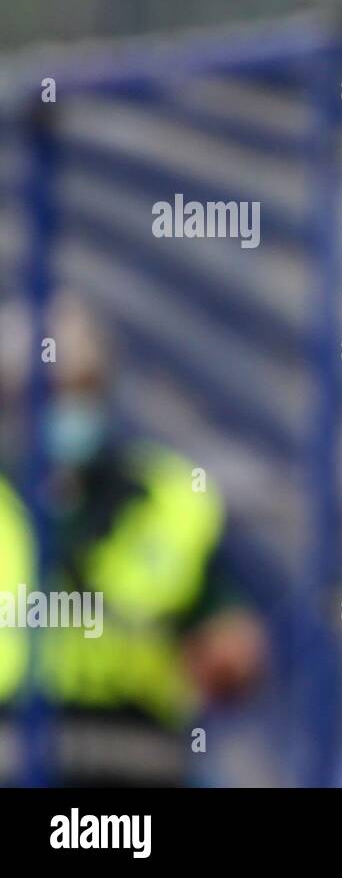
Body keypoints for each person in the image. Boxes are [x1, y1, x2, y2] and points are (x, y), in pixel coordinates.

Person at [0, 295, 265, 785]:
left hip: (141, 761)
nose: (69, 410)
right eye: (54, 392)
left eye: (82, 390)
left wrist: (228, 658)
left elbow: (228, 632)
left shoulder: (170, 497)